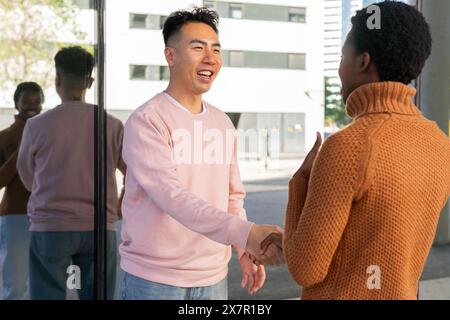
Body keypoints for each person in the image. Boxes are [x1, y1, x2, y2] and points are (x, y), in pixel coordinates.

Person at [263, 1, 450, 299]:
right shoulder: (440, 145)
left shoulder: (348, 147)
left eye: (342, 55)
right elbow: (378, 237)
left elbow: (306, 269)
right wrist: (296, 238)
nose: (339, 67)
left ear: (363, 61)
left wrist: (300, 182)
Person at [118, 7, 284, 300]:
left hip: (213, 278)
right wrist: (246, 232)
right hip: (154, 280)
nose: (211, 58)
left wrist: (244, 249)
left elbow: (232, 196)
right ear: (170, 56)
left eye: (216, 50)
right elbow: (171, 195)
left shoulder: (221, 122)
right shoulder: (148, 120)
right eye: (198, 48)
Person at [17, 46, 126, 300]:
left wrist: (50, 193)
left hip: (50, 226)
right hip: (100, 227)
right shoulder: (112, 125)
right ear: (89, 81)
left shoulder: (36, 125)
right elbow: (133, 172)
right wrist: (121, 200)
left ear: (57, 79)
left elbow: (26, 174)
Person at [0, 82, 43, 299]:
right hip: (15, 215)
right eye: (26, 101)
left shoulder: (48, 134)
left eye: (37, 101)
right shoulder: (4, 137)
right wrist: (22, 151)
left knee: (43, 282)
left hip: (47, 216)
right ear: (16, 103)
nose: (32, 106)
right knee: (15, 283)